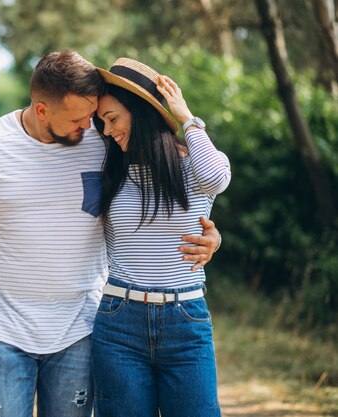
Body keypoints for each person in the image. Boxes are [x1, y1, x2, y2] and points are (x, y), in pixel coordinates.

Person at [0, 50, 222, 417]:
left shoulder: (105, 142)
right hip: (1, 326)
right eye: (78, 118)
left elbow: (170, 199)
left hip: (80, 327)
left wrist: (211, 236)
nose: (90, 126)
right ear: (42, 109)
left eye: (93, 116)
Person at [90, 57, 231, 417]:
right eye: (102, 122)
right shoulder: (112, 168)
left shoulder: (194, 168)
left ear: (141, 111)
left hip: (186, 320)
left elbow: (216, 178)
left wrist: (186, 117)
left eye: (113, 119)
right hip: (119, 322)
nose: (108, 131)